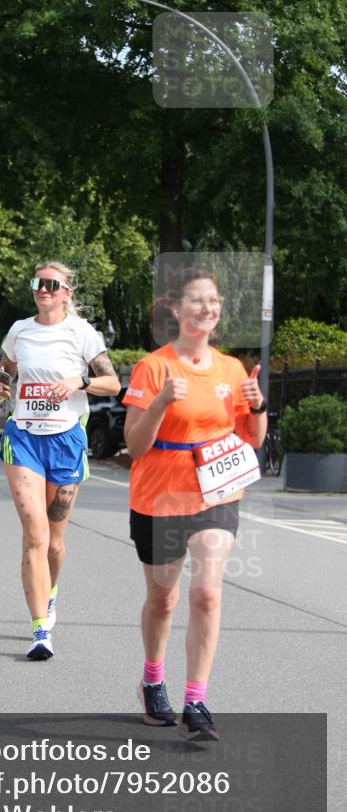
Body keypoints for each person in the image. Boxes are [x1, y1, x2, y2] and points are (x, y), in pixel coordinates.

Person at [123, 267, 267, 741]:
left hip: (217, 490)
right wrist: (162, 401)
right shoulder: (154, 367)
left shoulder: (230, 369)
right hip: (160, 495)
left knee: (207, 592)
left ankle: (196, 701)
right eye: (197, 301)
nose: (208, 308)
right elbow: (136, 445)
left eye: (214, 301)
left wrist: (259, 406)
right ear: (176, 310)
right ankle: (151, 679)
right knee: (163, 600)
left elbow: (251, 439)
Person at [0, 261, 121, 660]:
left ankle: (52, 591)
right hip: (23, 437)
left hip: (65, 440)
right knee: (35, 534)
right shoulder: (19, 331)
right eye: (37, 283)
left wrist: (79, 381)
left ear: (67, 293)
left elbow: (112, 382)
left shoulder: (82, 333)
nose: (43, 289)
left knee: (55, 544)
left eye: (52, 284)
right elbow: (2, 373)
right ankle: (40, 629)